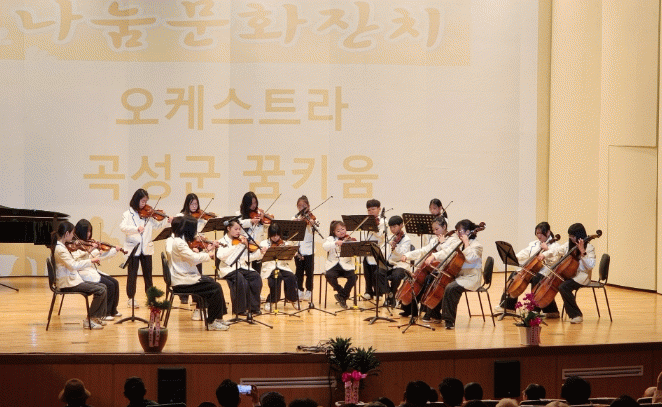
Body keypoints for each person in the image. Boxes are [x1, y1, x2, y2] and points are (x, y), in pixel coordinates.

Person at [170, 216, 229, 331]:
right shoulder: (179, 243)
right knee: (215, 287)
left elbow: (191, 257)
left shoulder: (181, 240)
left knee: (212, 283)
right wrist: (209, 255)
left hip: (186, 277)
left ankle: (218, 319)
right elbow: (193, 259)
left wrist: (208, 250)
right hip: (182, 281)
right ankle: (212, 322)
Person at [495, 222, 563, 317]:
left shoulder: (556, 246)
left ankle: (536, 309)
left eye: (541, 233)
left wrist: (547, 249)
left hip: (548, 271)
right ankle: (508, 306)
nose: (539, 236)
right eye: (537, 233)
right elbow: (525, 252)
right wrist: (514, 257)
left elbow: (556, 260)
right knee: (514, 274)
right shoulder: (535, 244)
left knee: (537, 278)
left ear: (548, 232)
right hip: (535, 270)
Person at [120, 188, 171, 309]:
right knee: (132, 274)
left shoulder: (148, 215)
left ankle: (150, 299)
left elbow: (157, 226)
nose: (145, 204)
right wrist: (136, 229)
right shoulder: (127, 214)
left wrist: (166, 220)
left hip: (147, 248)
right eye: (142, 201)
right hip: (133, 248)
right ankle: (131, 299)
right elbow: (123, 227)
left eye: (145, 201)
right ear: (136, 200)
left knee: (148, 275)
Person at [51, 221, 108, 329]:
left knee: (103, 287)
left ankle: (95, 317)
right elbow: (73, 265)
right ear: (67, 233)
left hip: (72, 280)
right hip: (68, 283)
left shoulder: (61, 246)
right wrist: (91, 261)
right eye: (72, 233)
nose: (73, 236)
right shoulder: (60, 249)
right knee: (101, 290)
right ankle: (89, 320)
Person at [400, 216, 456, 320]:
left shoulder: (453, 240)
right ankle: (411, 309)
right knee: (417, 279)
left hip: (445, 271)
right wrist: (408, 255)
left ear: (444, 227)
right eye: (433, 230)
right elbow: (423, 251)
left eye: (437, 229)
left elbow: (448, 254)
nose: (435, 232)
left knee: (428, 279)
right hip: (434, 269)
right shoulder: (435, 240)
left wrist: (442, 243)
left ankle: (429, 311)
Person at [542, 223, 596, 324]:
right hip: (569, 274)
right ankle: (550, 310)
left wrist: (583, 252)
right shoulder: (569, 245)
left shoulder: (589, 248)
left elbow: (590, 265)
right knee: (547, 280)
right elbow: (557, 251)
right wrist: (544, 255)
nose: (571, 238)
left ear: (579, 235)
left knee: (564, 287)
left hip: (581, 276)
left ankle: (576, 315)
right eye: (570, 236)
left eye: (573, 236)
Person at [437, 219, 483, 329]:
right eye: (457, 231)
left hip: (471, 278)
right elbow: (448, 252)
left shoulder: (477, 245)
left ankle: (449, 321)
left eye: (460, 231)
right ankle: (434, 314)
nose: (457, 233)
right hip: (460, 276)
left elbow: (470, 258)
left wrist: (466, 243)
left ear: (467, 232)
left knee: (451, 288)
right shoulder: (459, 243)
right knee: (440, 281)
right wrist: (440, 248)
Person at [73, 219, 122, 321]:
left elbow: (98, 257)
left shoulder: (87, 244)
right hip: (82, 273)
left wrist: (113, 251)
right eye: (87, 231)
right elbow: (77, 260)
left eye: (90, 231)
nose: (89, 234)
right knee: (109, 285)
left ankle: (113, 310)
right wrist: (91, 249)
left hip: (91, 270)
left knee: (115, 282)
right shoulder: (74, 245)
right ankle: (105, 313)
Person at [216, 220, 264, 315]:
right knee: (240, 279)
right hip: (228, 268)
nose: (238, 231)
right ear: (228, 228)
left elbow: (247, 258)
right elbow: (220, 256)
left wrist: (260, 253)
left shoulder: (241, 240)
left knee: (256, 277)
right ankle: (239, 309)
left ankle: (254, 307)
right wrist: (235, 246)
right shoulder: (222, 241)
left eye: (239, 229)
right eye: (236, 229)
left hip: (242, 267)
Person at [260, 223, 300, 312]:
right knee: (276, 277)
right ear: (269, 234)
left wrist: (290, 254)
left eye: (277, 235)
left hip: (282, 267)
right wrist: (263, 252)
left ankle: (293, 299)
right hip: (270, 267)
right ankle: (270, 301)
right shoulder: (264, 243)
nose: (275, 238)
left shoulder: (284, 243)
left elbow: (287, 260)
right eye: (273, 235)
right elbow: (260, 258)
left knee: (291, 277)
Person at [376, 215, 412, 307]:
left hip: (401, 264)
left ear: (401, 225)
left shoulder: (406, 239)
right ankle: (390, 294)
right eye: (391, 227)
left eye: (394, 226)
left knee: (396, 275)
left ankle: (391, 296)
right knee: (377, 273)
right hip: (390, 264)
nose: (392, 229)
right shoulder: (390, 237)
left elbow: (402, 254)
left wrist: (395, 248)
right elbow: (384, 252)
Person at [322, 220, 357, 309]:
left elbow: (356, 250)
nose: (341, 232)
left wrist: (352, 244)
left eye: (343, 229)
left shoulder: (348, 239)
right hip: (333, 264)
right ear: (334, 232)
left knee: (353, 277)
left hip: (346, 264)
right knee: (329, 275)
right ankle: (341, 292)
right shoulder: (330, 239)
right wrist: (335, 243)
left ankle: (342, 296)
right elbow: (325, 247)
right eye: (338, 230)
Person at [361, 199, 386, 300]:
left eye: (373, 209)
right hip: (367, 248)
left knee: (376, 272)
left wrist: (372, 227)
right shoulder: (366, 220)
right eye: (369, 210)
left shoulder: (383, 221)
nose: (371, 212)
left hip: (377, 249)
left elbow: (381, 235)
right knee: (367, 272)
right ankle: (368, 291)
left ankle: (378, 292)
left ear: (379, 209)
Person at [293, 195, 316, 302]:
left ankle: (309, 291)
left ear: (308, 206)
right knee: (299, 271)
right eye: (299, 206)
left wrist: (311, 224)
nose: (301, 208)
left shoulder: (312, 219)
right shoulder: (295, 219)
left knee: (309, 272)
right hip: (298, 249)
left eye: (304, 206)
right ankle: (299, 290)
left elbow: (314, 231)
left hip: (309, 250)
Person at [239, 191, 267, 273]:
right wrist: (251, 221)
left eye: (255, 202)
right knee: (245, 270)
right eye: (251, 203)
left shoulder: (258, 214)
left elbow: (262, 232)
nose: (254, 205)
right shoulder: (240, 215)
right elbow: (238, 225)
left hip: (256, 245)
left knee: (257, 271)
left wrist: (261, 221)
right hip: (245, 245)